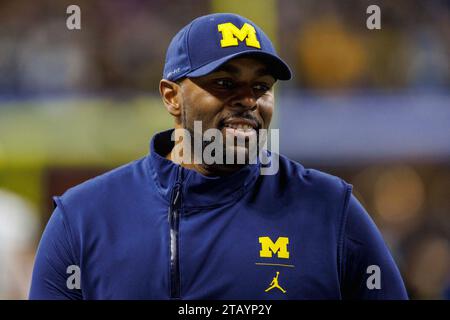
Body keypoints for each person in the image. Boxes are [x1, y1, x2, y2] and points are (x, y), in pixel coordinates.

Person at [29, 13, 408, 299]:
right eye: (225, 83)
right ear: (171, 96)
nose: (248, 100)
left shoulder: (329, 209)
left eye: (261, 87)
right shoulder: (84, 217)